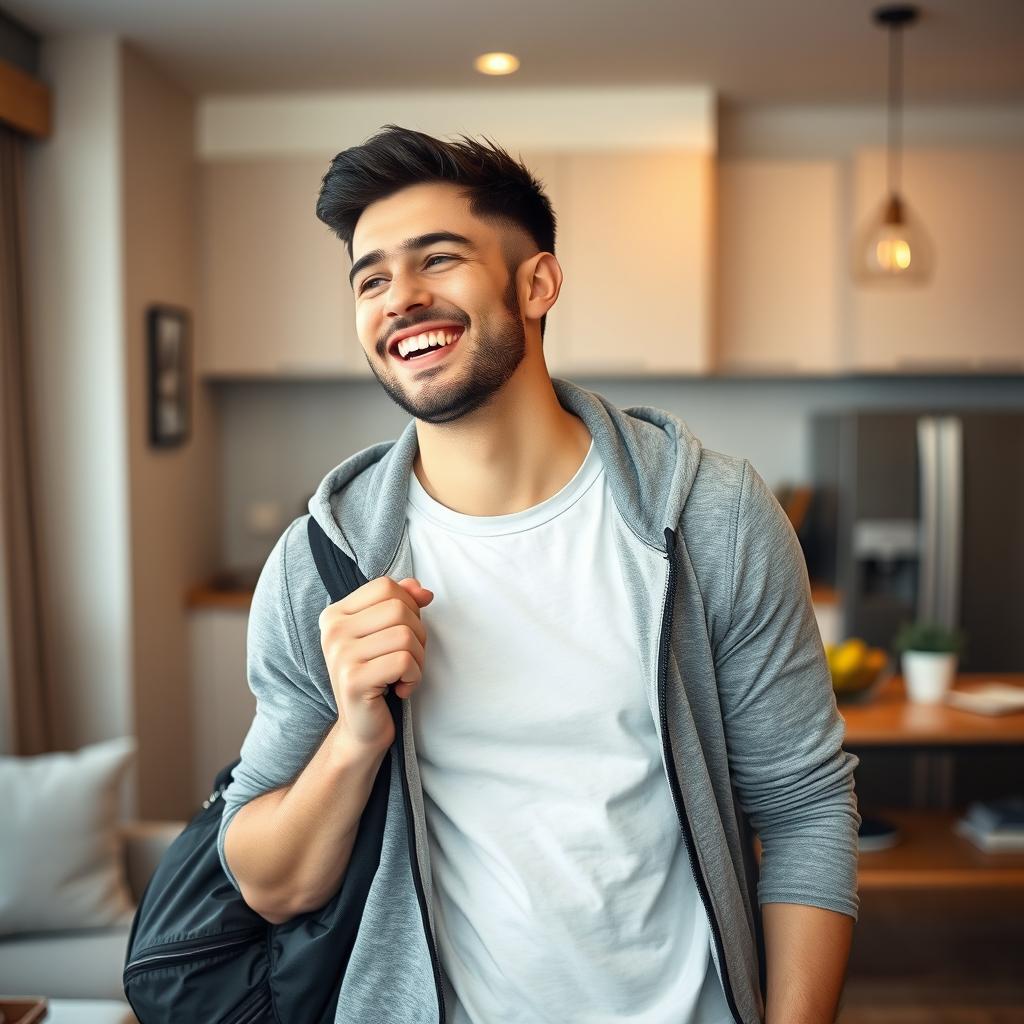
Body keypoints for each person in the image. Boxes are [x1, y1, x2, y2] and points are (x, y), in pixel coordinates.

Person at [219, 124, 861, 1024]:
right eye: (370, 278)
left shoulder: (710, 517)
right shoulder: (324, 563)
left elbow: (803, 810)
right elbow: (268, 884)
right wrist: (356, 738)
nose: (398, 298)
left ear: (538, 282)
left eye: (436, 259)